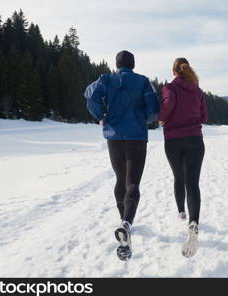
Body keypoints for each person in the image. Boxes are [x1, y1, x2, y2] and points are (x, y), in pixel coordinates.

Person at [84, 50, 160, 261]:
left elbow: (90, 96)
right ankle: (126, 222)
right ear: (133, 64)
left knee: (120, 179)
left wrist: (101, 116)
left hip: (114, 136)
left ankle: (122, 220)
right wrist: (143, 120)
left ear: (117, 64)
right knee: (133, 181)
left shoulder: (106, 79)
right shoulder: (143, 81)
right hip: (136, 136)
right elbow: (154, 109)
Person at [158, 58, 208, 258]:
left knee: (179, 176)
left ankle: (181, 212)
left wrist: (162, 117)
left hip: (173, 140)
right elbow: (204, 117)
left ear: (174, 71)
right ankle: (193, 223)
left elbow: (168, 104)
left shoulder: (169, 88)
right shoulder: (198, 91)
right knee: (193, 183)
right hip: (195, 140)